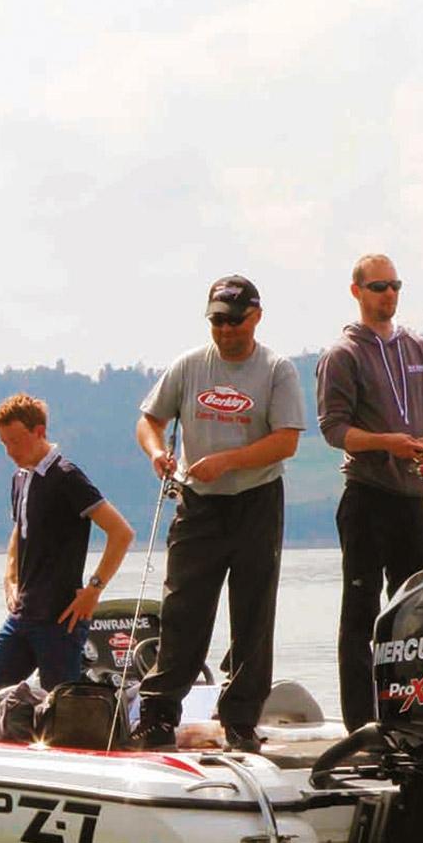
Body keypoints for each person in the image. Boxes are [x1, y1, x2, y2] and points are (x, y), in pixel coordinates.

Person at [129, 275, 305, 752]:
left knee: (253, 612)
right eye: (217, 321)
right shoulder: (189, 365)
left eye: (234, 321)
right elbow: (150, 420)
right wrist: (157, 453)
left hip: (256, 501)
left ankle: (241, 719)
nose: (226, 330)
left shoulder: (276, 370)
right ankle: (158, 715)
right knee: (183, 609)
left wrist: (228, 460)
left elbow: (286, 440)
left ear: (256, 317)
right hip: (198, 504)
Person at [316, 253, 423, 729]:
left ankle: (412, 713)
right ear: (357, 292)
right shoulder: (342, 355)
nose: (389, 294)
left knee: (416, 611)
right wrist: (387, 443)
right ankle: (360, 722)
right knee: (361, 612)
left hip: (414, 498)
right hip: (366, 496)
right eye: (378, 287)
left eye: (395, 285)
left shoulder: (419, 348)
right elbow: (334, 430)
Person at [0, 394, 134, 710]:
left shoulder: (67, 476)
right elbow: (20, 531)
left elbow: (121, 533)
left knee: (61, 712)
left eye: (15, 441)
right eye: (4, 443)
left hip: (60, 620)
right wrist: (10, 579)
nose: (10, 451)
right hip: (22, 617)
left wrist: (94, 589)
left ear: (39, 431)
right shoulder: (20, 478)